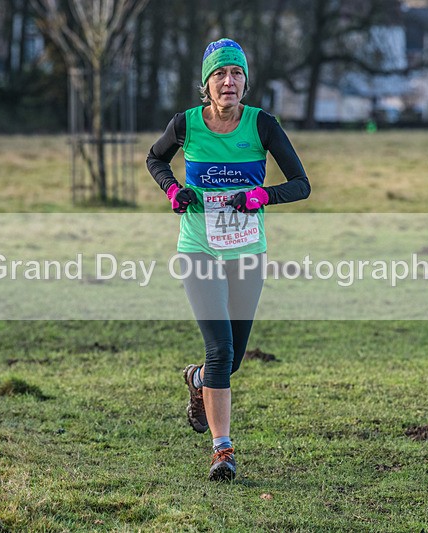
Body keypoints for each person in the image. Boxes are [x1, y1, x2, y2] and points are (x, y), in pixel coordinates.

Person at [146, 38, 310, 481]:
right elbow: (154, 159)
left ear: (246, 81)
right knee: (220, 350)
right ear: (207, 83)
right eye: (219, 74)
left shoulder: (262, 125)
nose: (229, 81)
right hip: (198, 248)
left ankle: (199, 380)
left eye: (236, 73)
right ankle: (223, 449)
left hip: (247, 251)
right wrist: (173, 190)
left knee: (231, 358)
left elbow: (301, 184)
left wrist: (260, 195)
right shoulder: (186, 124)